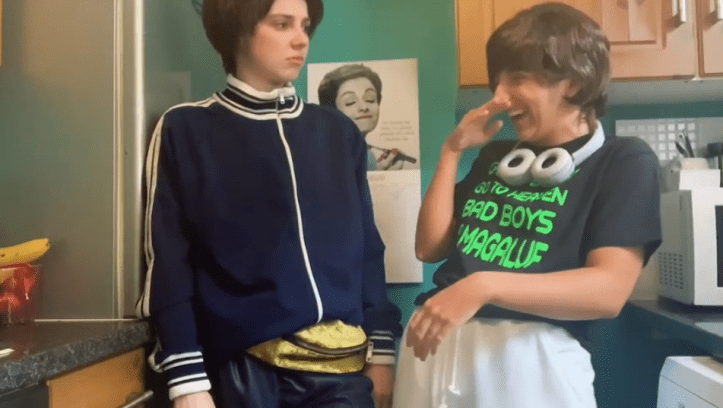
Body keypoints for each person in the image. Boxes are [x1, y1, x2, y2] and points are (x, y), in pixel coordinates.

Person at [135, 0, 402, 407]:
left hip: (343, 372)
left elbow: (367, 248)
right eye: (282, 24)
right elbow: (169, 262)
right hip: (245, 372)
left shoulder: (339, 133)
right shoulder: (186, 129)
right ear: (238, 31)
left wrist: (382, 351)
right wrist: (186, 381)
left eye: (305, 26)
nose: (300, 39)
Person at [394, 3, 662, 407]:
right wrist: (452, 151)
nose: (500, 97)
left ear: (574, 82)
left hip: (528, 364)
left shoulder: (623, 160)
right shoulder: (496, 158)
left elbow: (608, 290)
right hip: (433, 351)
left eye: (517, 79)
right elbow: (429, 248)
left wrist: (483, 286)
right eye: (497, 82)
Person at [318, 64, 414, 170]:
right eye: (350, 102)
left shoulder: (369, 155)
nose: (364, 107)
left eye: (370, 99)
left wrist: (381, 173)